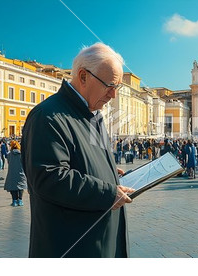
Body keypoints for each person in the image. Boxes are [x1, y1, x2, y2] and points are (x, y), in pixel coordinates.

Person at [21, 43, 134, 257]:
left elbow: (86, 159)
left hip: (100, 241)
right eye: (109, 85)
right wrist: (108, 193)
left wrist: (109, 170)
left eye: (117, 87)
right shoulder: (47, 116)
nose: (113, 95)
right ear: (83, 76)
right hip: (72, 245)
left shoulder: (95, 116)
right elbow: (49, 177)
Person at [4, 140, 27, 206]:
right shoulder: (22, 154)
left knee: (13, 187)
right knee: (21, 186)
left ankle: (14, 200)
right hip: (21, 172)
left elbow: (8, 162)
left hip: (12, 172)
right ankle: (20, 200)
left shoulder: (9, 154)